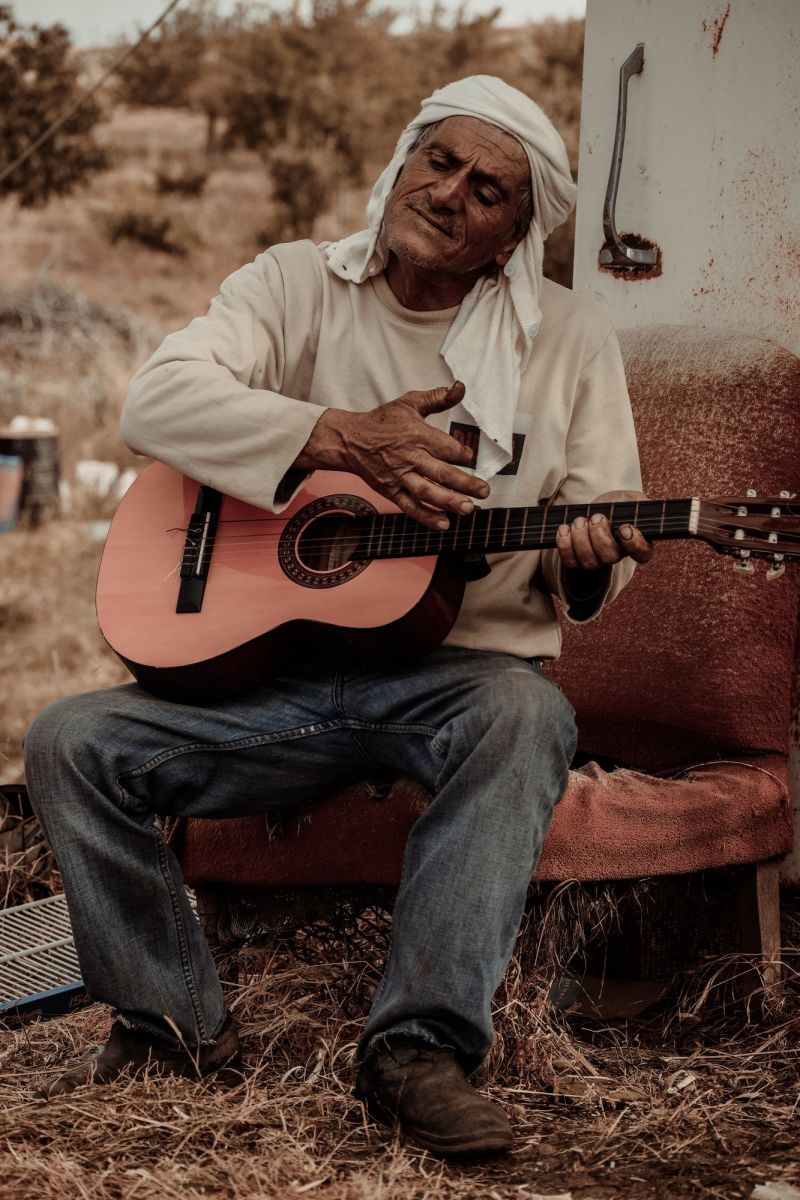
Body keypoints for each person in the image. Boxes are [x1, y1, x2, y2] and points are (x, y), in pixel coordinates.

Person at [24, 76, 652, 1156]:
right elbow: (153, 401)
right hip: (266, 687)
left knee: (525, 718)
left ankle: (417, 1049)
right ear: (401, 163)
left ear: (512, 234)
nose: (450, 193)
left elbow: (592, 538)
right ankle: (168, 1023)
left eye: (488, 189)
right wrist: (336, 439)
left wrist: (590, 563)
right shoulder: (293, 284)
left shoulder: (567, 342)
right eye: (437, 162)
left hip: (457, 681)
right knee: (69, 739)